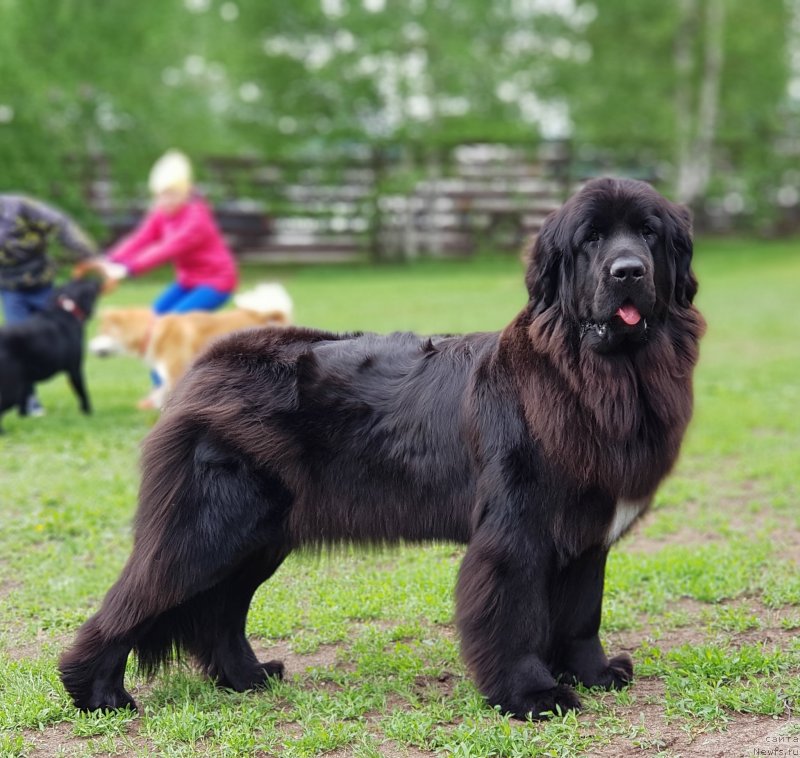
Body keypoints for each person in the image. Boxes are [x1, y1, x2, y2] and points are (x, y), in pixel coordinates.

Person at [100, 150, 239, 409]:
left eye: (170, 194)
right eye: (160, 195)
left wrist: (129, 268)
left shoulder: (196, 217)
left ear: (185, 191)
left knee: (171, 330)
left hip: (216, 281)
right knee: (153, 324)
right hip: (188, 281)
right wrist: (110, 260)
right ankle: (161, 390)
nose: (163, 201)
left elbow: (169, 247)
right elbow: (141, 239)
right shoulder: (161, 212)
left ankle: (176, 393)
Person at [0, 194, 98, 415]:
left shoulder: (20, 207)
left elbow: (60, 223)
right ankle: (28, 400)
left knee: (50, 341)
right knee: (18, 345)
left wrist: (87, 253)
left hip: (42, 283)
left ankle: (43, 391)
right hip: (10, 287)